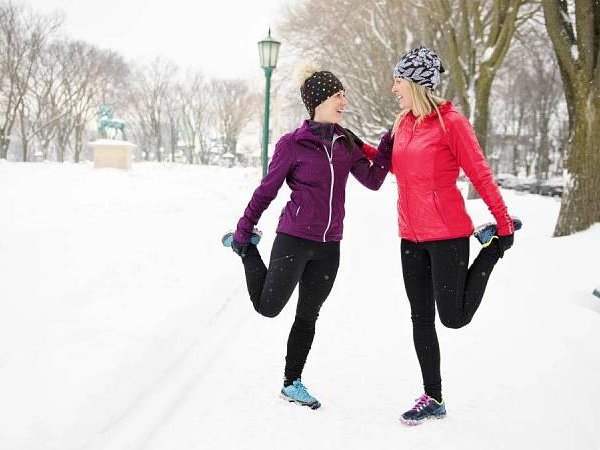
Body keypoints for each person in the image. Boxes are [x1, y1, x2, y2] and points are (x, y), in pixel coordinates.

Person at [223, 64, 393, 410]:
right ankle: (245, 250)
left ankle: (292, 382)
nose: (344, 101)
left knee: (308, 315)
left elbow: (374, 180)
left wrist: (389, 143)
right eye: (338, 95)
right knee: (268, 308)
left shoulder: (347, 143)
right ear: (319, 100)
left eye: (344, 94)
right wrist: (244, 230)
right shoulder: (293, 145)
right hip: (294, 238)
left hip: (330, 246)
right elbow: (266, 192)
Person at [388, 47, 520, 425]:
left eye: (398, 80)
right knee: (419, 318)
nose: (393, 88)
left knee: (454, 318)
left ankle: (491, 249)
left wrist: (504, 221)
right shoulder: (402, 124)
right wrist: (344, 140)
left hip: (447, 234)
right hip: (410, 236)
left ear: (416, 83)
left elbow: (480, 173)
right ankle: (434, 397)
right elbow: (385, 164)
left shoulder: (452, 123)